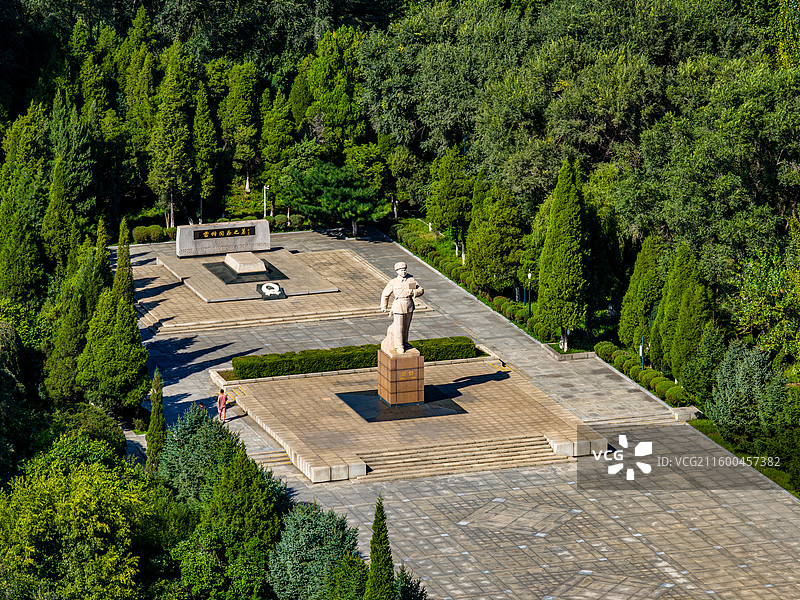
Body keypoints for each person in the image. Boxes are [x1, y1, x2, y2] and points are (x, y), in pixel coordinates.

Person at [380, 261, 424, 354]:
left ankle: (404, 342)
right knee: (398, 327)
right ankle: (399, 346)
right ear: (397, 271)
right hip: (398, 305)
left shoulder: (410, 280)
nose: (403, 272)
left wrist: (414, 293)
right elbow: (385, 294)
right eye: (401, 270)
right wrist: (384, 306)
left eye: (404, 270)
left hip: (409, 305)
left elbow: (420, 290)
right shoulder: (393, 282)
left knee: (406, 326)